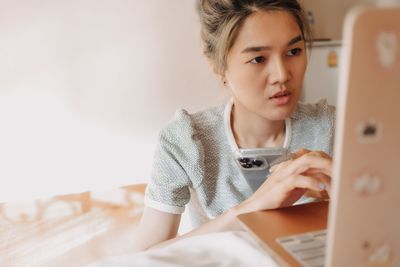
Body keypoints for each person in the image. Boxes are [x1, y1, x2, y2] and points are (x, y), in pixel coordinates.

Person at [133, 0, 335, 251]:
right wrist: (251, 209)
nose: (282, 74)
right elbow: (146, 255)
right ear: (218, 66)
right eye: (258, 58)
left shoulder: (334, 128)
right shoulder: (185, 140)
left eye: (293, 51)